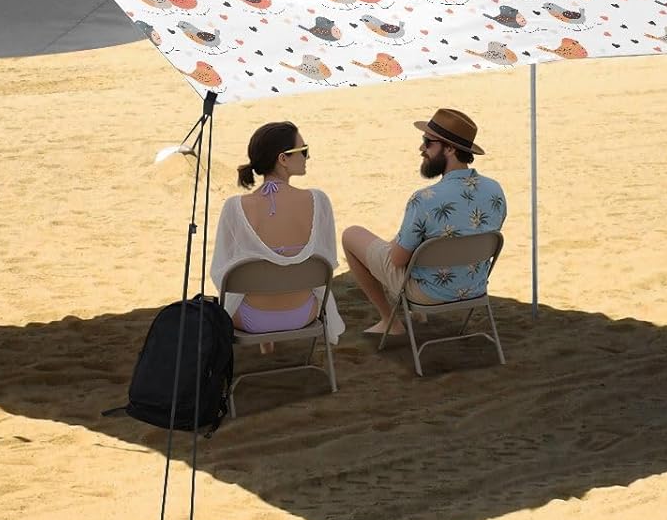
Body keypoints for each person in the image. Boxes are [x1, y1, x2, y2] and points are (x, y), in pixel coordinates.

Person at [342, 108, 508, 336]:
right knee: (411, 240)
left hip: (429, 293)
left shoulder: (424, 199)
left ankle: (390, 321)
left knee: (352, 235)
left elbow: (397, 260)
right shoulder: (494, 190)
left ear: (450, 149)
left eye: (428, 142)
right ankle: (416, 314)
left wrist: (394, 246)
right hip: (474, 288)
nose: (421, 148)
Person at [210, 121, 344, 346]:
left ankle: (265, 335)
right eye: (303, 151)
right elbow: (328, 260)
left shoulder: (234, 207)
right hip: (303, 314)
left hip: (250, 319)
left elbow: (221, 273)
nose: (307, 157)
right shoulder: (318, 201)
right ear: (283, 159)